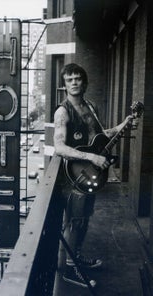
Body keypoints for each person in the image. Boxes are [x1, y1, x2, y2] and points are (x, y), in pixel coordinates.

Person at [53, 63, 134, 288]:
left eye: (78, 78)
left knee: (83, 220)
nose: (75, 82)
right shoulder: (62, 112)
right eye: (70, 80)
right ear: (64, 84)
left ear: (85, 82)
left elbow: (100, 136)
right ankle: (69, 269)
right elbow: (59, 147)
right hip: (73, 176)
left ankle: (75, 258)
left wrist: (123, 125)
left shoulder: (91, 106)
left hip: (91, 173)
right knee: (74, 222)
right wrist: (92, 159)